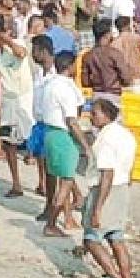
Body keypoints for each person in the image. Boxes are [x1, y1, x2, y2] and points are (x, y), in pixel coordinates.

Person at [84, 98, 137, 278]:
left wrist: (97, 208)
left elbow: (107, 173)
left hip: (107, 189)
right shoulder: (126, 135)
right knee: (116, 237)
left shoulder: (106, 140)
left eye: (95, 114)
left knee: (92, 239)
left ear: (106, 116)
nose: (91, 117)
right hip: (122, 187)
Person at [34, 45, 89, 235]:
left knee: (61, 178)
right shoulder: (64, 87)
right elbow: (71, 121)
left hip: (50, 133)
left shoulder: (50, 83)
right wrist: (86, 146)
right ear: (71, 66)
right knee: (66, 182)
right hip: (61, 134)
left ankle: (63, 219)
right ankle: (51, 224)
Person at [0, 24, 34, 197]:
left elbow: (22, 53)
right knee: (8, 141)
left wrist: (5, 38)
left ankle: (43, 182)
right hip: (8, 100)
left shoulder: (15, 45)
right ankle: (16, 184)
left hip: (23, 98)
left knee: (32, 139)